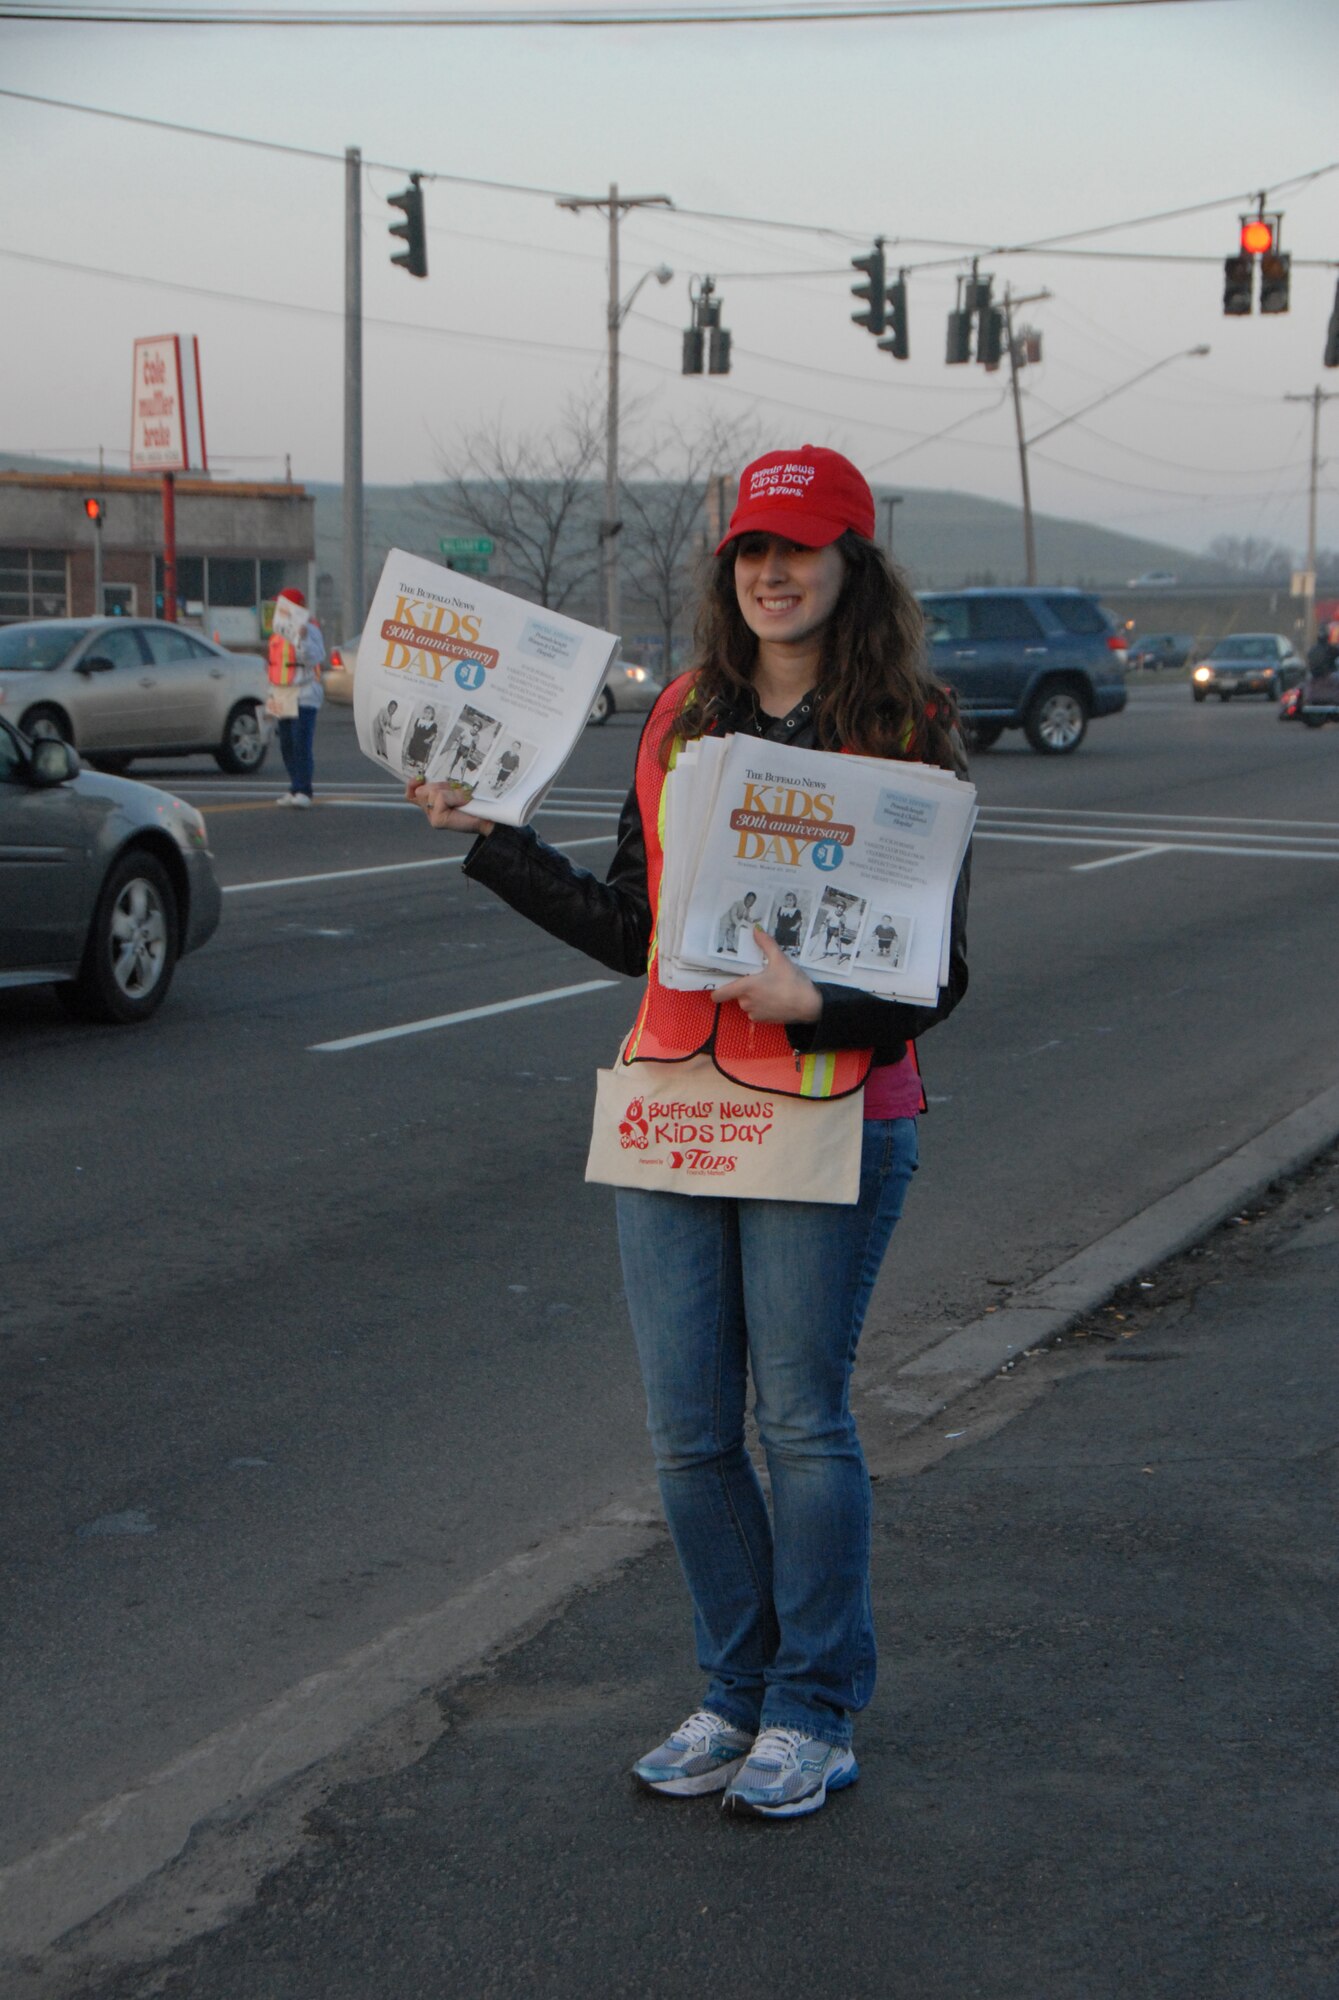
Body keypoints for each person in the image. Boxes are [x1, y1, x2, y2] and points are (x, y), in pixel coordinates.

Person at [409, 445, 970, 1820]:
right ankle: (733, 1690)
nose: (771, 572)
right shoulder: (678, 719)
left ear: (851, 566)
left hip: (831, 1107)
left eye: (798, 548)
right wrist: (494, 838)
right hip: (672, 1101)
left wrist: (816, 999)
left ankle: (814, 1708)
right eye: (748, 553)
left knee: (799, 1421)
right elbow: (632, 929)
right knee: (684, 1436)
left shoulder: (904, 727)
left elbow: (937, 974)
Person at [270, 587, 325, 809]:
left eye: (282, 604)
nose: (278, 609)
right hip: (281, 691)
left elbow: (315, 656)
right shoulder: (277, 631)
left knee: (301, 742)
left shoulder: (311, 630)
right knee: (286, 743)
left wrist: (301, 639)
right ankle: (294, 786)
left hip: (304, 692)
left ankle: (304, 789)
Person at [771, 891, 803, 956]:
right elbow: (778, 918)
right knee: (778, 933)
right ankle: (780, 946)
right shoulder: (781, 909)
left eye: (791, 900)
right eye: (787, 900)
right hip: (781, 928)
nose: (789, 902)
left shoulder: (796, 911)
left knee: (791, 934)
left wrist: (795, 927)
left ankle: (791, 948)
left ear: (794, 901)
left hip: (790, 929)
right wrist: (775, 926)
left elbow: (799, 921)